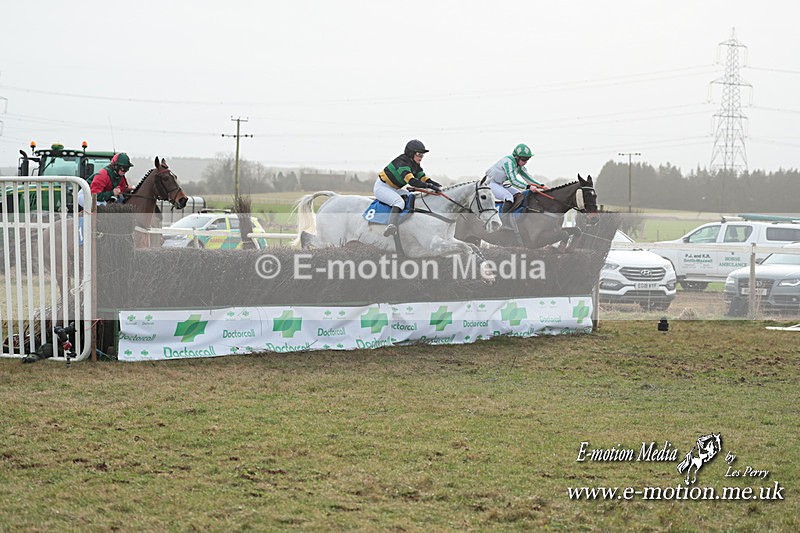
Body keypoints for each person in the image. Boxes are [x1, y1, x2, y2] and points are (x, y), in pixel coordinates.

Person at [375, 139, 443, 236]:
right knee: (399, 202)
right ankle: (391, 225)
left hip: (395, 189)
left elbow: (423, 178)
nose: (421, 157)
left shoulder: (415, 164)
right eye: (419, 154)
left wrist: (438, 185)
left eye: (422, 155)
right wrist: (429, 186)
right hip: (382, 187)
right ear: (411, 153)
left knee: (412, 197)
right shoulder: (402, 162)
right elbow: (411, 181)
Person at [485, 143, 547, 215]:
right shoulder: (508, 162)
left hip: (500, 183)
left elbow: (529, 178)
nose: (526, 162)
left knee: (520, 195)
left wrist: (542, 186)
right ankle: (503, 221)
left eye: (527, 159)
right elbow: (513, 181)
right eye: (524, 159)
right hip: (490, 183)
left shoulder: (519, 166)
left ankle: (513, 217)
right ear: (516, 157)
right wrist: (528, 187)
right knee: (509, 197)